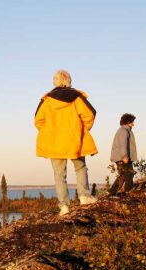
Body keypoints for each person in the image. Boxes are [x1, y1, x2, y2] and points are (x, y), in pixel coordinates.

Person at [34, 70, 98, 216]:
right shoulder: (77, 97)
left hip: (55, 142)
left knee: (59, 175)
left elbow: (38, 121)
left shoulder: (47, 100)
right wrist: (82, 130)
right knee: (80, 168)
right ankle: (84, 196)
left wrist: (49, 133)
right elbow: (90, 115)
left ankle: (64, 207)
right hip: (75, 139)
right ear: (69, 81)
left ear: (55, 81)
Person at [109, 113, 137, 195]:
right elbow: (122, 144)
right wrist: (124, 156)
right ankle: (128, 193)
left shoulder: (124, 130)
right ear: (128, 122)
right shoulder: (124, 130)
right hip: (123, 157)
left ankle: (112, 192)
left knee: (124, 175)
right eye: (132, 122)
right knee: (128, 174)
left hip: (122, 157)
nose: (133, 124)